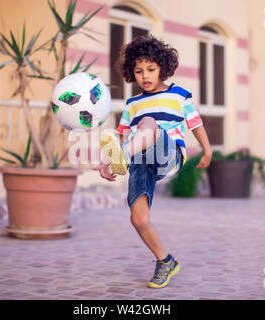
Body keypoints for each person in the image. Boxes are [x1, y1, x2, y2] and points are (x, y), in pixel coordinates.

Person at [93, 34, 212, 288]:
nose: (145, 76)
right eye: (138, 71)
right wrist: (106, 161)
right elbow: (121, 136)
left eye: (151, 69)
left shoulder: (180, 94)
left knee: (148, 124)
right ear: (131, 73)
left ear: (162, 68)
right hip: (141, 160)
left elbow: (195, 123)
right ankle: (165, 261)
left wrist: (207, 149)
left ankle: (124, 158)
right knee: (138, 218)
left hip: (169, 153)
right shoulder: (132, 103)